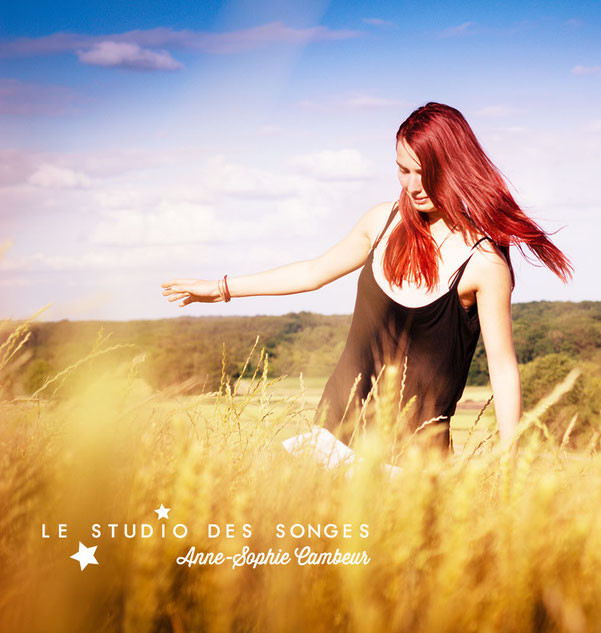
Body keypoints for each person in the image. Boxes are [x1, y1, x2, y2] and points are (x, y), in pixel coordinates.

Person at [161, 102, 572, 459]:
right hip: (330, 442)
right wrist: (221, 288)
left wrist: (509, 460)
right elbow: (312, 272)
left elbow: (502, 369)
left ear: (455, 167)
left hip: (412, 465)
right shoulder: (382, 222)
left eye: (424, 171)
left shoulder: (484, 264)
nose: (412, 186)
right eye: (402, 170)